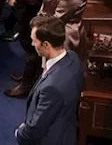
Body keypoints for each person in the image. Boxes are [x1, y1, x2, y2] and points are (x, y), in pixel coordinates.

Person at [14, 16, 82, 145]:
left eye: (34, 41)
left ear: (46, 44)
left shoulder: (52, 88)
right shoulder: (73, 57)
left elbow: (36, 129)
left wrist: (20, 133)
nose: (33, 44)